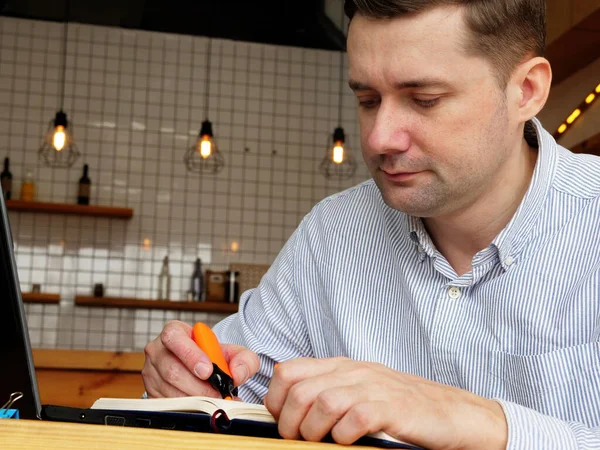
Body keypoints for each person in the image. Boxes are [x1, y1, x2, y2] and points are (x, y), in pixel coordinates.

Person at [142, 0, 600, 448]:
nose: (380, 138)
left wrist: (484, 423)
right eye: (366, 99)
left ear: (526, 90)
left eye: (425, 100)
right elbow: (225, 396)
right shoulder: (331, 234)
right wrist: (181, 381)